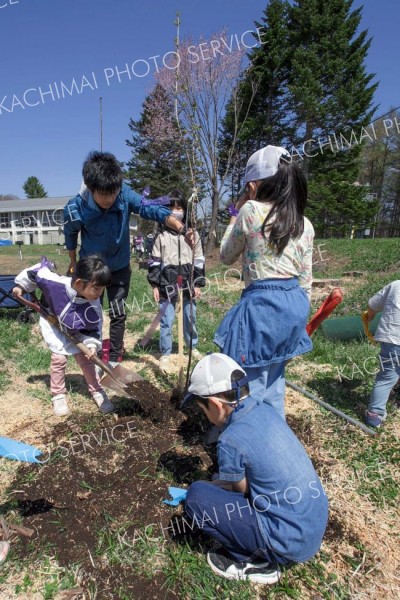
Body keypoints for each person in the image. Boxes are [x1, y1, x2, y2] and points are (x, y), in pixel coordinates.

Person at [182, 353, 328, 584]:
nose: (206, 417)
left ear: (215, 405)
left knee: (196, 497)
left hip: (284, 542)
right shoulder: (266, 410)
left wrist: (212, 485)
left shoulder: (230, 439)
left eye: (203, 410)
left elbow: (240, 490)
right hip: (311, 523)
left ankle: (256, 561)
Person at [214, 145, 314, 419]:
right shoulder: (304, 223)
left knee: (251, 381)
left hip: (263, 305)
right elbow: (306, 280)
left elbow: (225, 255)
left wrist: (235, 212)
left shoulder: (250, 211)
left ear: (254, 185)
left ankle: (246, 439)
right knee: (275, 379)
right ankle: (274, 429)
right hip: (295, 303)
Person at [64, 152, 191, 365]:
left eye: (112, 193)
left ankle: (114, 358)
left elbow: (149, 208)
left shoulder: (123, 194)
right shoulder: (75, 208)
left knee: (117, 312)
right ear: (90, 187)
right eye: (103, 193)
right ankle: (90, 354)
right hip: (92, 268)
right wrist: (73, 261)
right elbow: (70, 235)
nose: (109, 199)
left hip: (120, 265)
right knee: (90, 310)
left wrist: (181, 227)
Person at [13, 256, 114, 417]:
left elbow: (93, 328)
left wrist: (92, 346)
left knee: (86, 360)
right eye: (97, 288)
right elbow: (37, 271)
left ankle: (97, 390)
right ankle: (58, 394)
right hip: (53, 321)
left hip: (78, 329)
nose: (100, 293)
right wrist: (21, 286)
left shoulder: (92, 304)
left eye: (102, 289)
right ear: (80, 283)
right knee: (59, 359)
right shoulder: (54, 283)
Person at [147, 190, 205, 368]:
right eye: (171, 208)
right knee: (166, 319)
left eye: (179, 207)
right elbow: (155, 262)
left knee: (190, 316)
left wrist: (197, 284)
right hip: (167, 283)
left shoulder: (193, 235)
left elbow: (199, 260)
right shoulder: (160, 237)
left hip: (188, 280)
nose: (175, 211)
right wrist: (155, 285)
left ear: (185, 211)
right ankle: (165, 352)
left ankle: (192, 347)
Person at [364, 280, 400, 428]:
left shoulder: (396, 285)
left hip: (392, 338)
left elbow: (373, 305)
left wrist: (369, 316)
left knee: (386, 377)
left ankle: (375, 414)